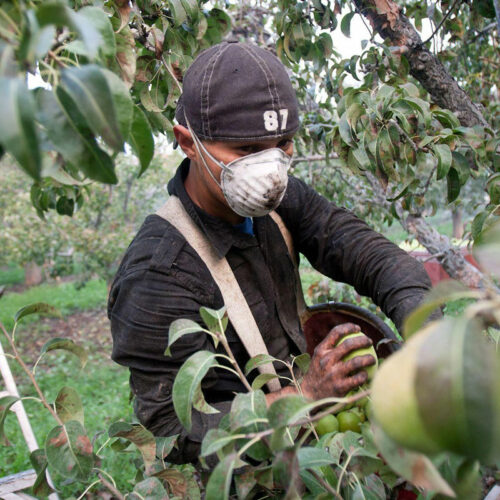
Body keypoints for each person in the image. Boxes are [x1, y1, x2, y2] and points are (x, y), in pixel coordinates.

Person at [108, 41, 434, 464]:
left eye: (282, 144)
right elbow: (169, 431)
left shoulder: (278, 200)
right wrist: (305, 395)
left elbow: (363, 251)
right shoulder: (157, 274)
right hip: (248, 469)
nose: (270, 170)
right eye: (245, 151)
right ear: (187, 143)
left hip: (320, 436)